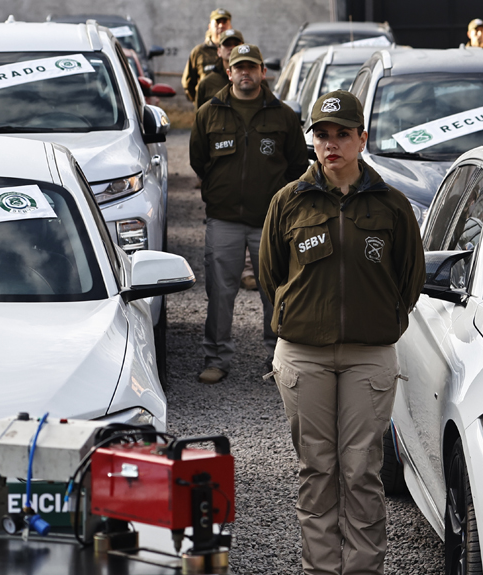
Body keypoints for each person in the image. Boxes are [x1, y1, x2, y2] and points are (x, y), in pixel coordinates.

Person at [259, 89, 425, 575]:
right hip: (303, 356)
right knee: (317, 469)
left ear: (361, 139)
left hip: (369, 356)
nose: (332, 144)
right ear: (312, 140)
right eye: (323, 135)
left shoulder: (392, 206)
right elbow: (272, 276)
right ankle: (320, 568)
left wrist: (375, 316)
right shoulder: (288, 202)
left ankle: (363, 569)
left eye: (343, 135)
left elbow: (409, 279)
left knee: (361, 470)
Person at [189, 44, 304, 384]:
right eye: (239, 67)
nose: (245, 73)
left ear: (262, 72)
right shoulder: (209, 112)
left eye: (251, 67)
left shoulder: (282, 115)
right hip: (223, 218)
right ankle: (217, 358)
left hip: (270, 221)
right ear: (229, 71)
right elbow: (199, 161)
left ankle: (278, 359)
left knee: (276, 291)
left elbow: (297, 165)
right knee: (220, 292)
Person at [182, 8, 232, 103]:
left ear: (230, 26)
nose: (221, 26)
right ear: (209, 26)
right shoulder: (198, 52)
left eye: (224, 22)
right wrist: (199, 102)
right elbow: (188, 83)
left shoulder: (238, 49)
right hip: (208, 108)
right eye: (217, 22)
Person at [194, 29, 243, 109]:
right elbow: (200, 118)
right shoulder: (207, 83)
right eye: (227, 44)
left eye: (236, 44)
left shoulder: (255, 81)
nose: (232, 48)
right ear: (219, 51)